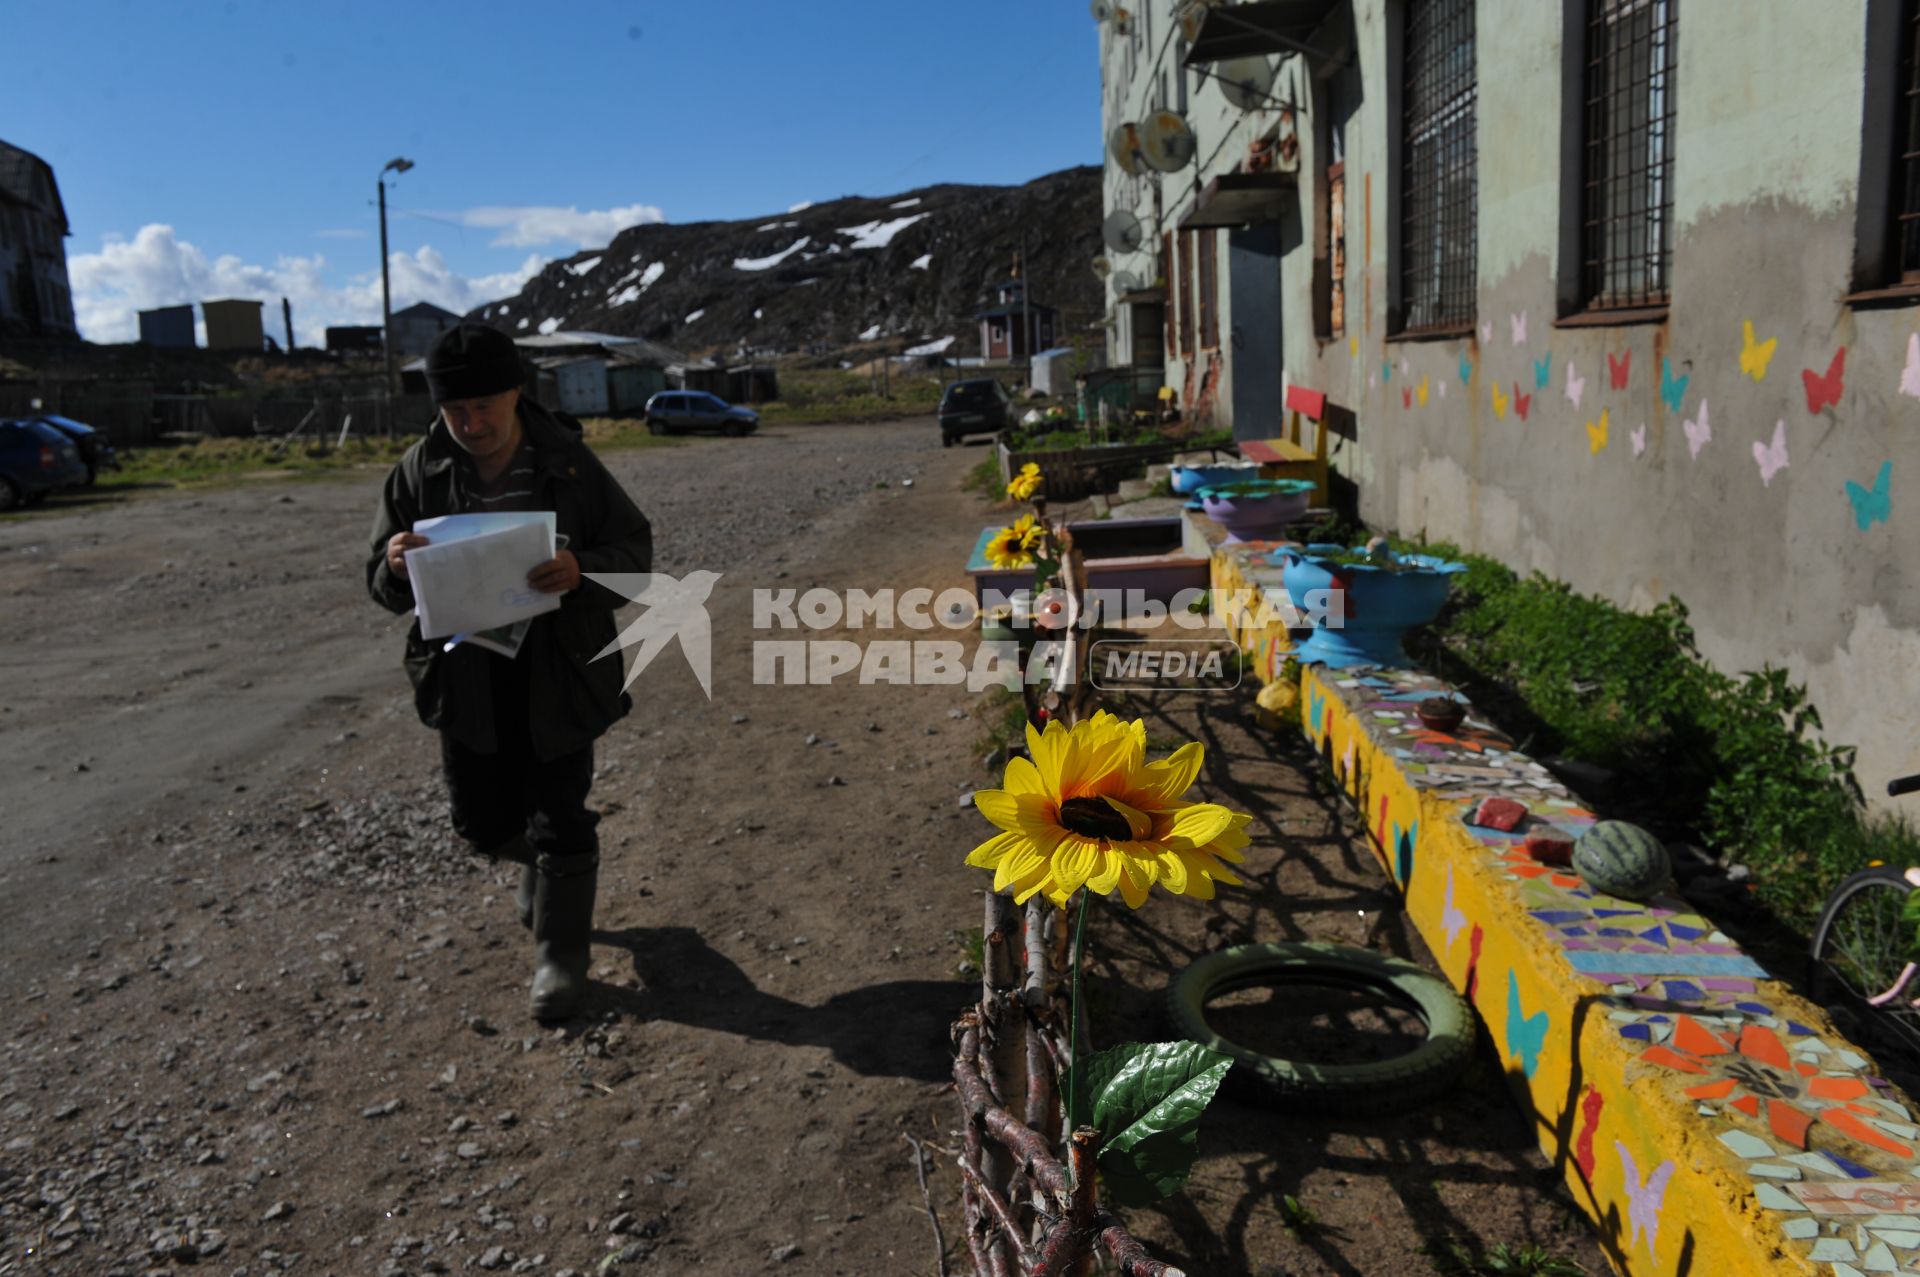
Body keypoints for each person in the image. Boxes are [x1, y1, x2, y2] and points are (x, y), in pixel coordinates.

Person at [365, 322, 652, 1021]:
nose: (470, 423)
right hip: (466, 678)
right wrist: (395, 566)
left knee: (562, 813)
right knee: (481, 822)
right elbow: (379, 581)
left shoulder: (571, 463)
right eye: (454, 410)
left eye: (484, 405)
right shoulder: (416, 472)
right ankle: (536, 865)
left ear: (516, 392)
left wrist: (583, 570)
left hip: (558, 671)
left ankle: (561, 956)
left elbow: (636, 558)